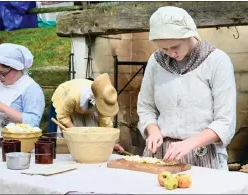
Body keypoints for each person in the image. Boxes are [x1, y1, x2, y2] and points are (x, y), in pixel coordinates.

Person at [137, 6, 236, 170]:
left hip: (202, 156)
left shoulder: (217, 61)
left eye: (175, 46)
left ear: (190, 34)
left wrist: (189, 144)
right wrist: (152, 130)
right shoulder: (156, 62)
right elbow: (146, 106)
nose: (170, 53)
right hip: (162, 155)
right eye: (163, 48)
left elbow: (225, 121)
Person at [51, 73, 125, 154]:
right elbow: (63, 116)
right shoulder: (74, 96)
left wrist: (113, 143)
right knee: (76, 137)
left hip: (85, 103)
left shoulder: (104, 97)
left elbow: (105, 125)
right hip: (66, 98)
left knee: (92, 132)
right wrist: (74, 130)